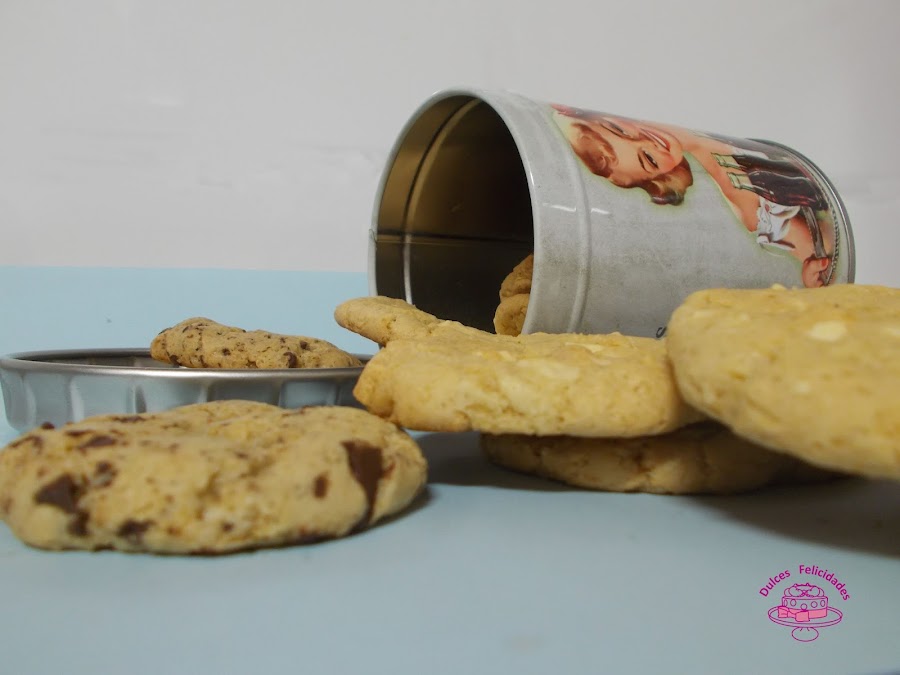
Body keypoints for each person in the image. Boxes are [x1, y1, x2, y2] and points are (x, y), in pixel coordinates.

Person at [551, 104, 835, 287]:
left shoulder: (713, 160)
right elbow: (804, 241)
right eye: (649, 159)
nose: (648, 139)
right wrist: (809, 273)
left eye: (619, 129)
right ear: (658, 178)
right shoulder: (735, 197)